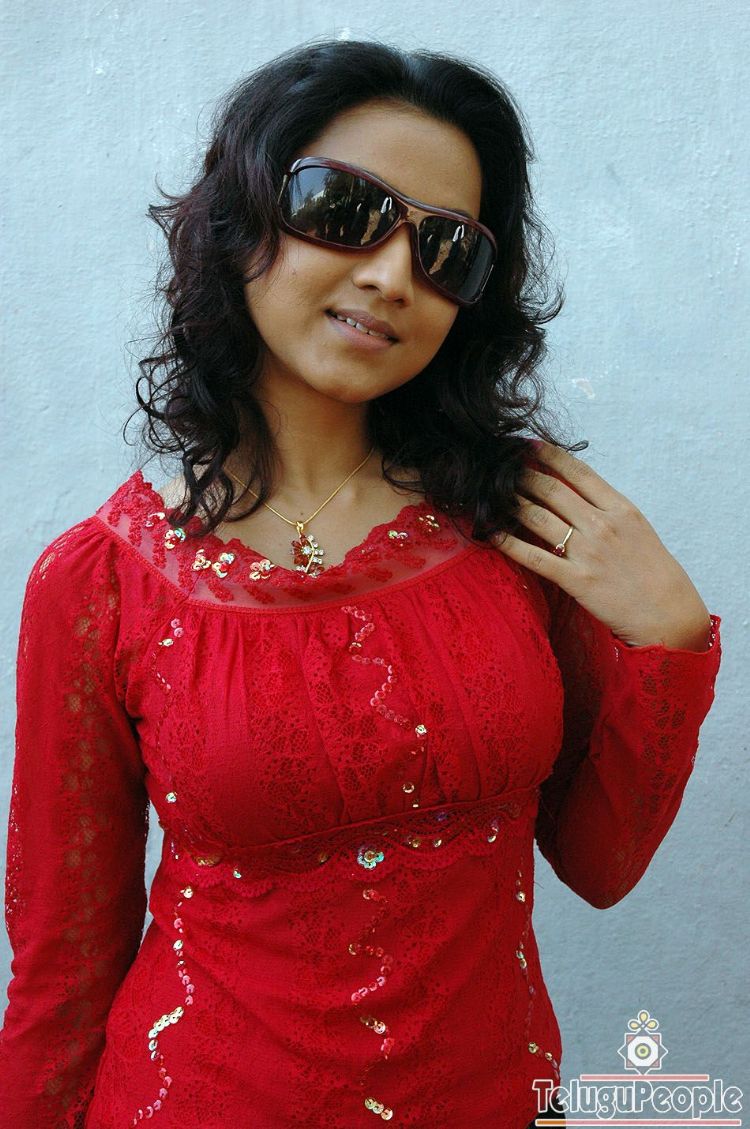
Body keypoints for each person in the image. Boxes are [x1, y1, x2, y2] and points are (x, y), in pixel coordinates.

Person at [0, 37, 721, 1129]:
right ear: (241, 218)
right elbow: (61, 970)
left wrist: (669, 638)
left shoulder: (518, 523)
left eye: (447, 249)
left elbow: (599, 863)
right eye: (343, 209)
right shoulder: (101, 582)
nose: (391, 275)